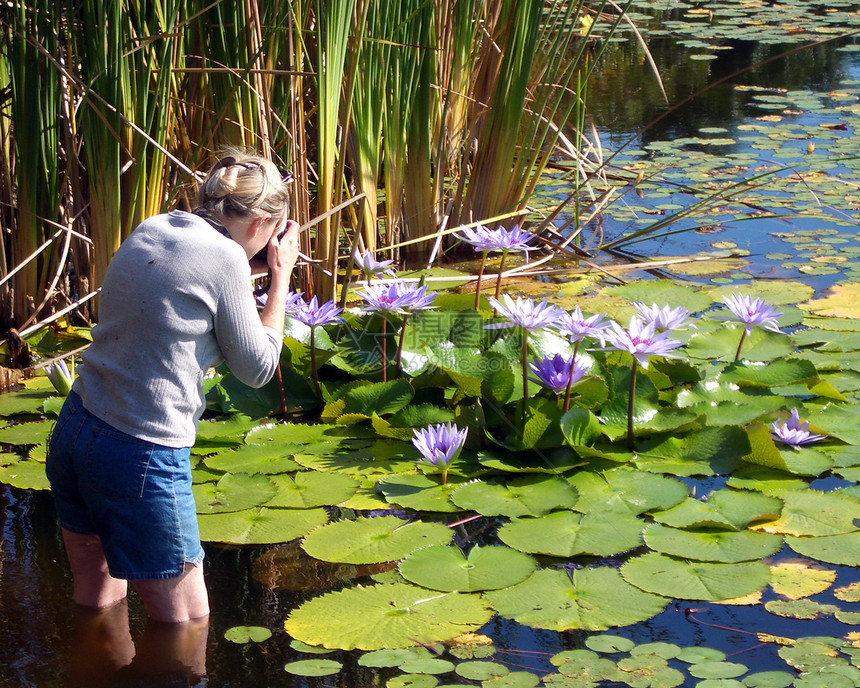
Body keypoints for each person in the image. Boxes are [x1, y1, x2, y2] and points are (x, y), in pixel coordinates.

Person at [46, 150, 300, 625]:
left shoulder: (155, 226)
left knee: (97, 605)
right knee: (185, 630)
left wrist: (241, 284)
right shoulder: (227, 259)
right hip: (139, 452)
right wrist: (280, 275)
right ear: (263, 223)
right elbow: (258, 369)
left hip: (76, 428)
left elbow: (172, 302)